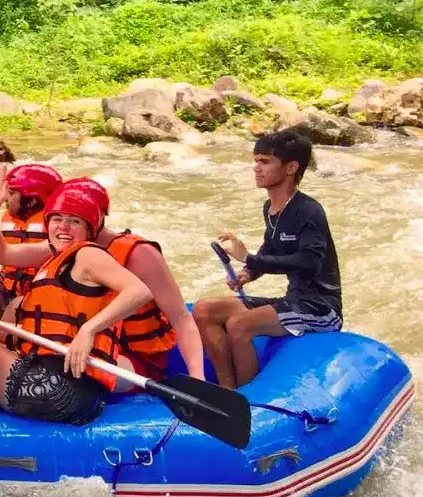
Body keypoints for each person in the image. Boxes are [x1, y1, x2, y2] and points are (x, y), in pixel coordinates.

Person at [0, 174, 152, 425]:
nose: (63, 227)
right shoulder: (58, 257)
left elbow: (139, 291)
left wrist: (89, 330)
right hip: (64, 387)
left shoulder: (88, 256)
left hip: (53, 390)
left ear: (89, 229)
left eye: (74, 221)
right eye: (57, 219)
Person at [192, 131, 342, 390]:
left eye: (264, 161)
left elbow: (310, 263)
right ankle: (228, 391)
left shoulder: (309, 210)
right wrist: (249, 272)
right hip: (292, 300)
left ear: (291, 167)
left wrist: (249, 258)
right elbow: (271, 247)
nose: (256, 168)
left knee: (239, 324)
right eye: (256, 160)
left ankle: (249, 400)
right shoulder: (270, 208)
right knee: (204, 310)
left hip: (321, 308)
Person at [59, 176, 205, 383]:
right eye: (60, 217)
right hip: (87, 344)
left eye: (76, 217)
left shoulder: (139, 254)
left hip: (134, 360)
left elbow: (181, 317)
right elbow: (4, 254)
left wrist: (197, 376)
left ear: (99, 215)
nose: (65, 225)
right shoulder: (63, 246)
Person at [0, 163, 62, 319]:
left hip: (39, 297)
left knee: (16, 305)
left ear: (31, 201)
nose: (4, 198)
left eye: (10, 193)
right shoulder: (10, 218)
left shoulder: (59, 230)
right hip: (10, 289)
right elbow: (8, 269)